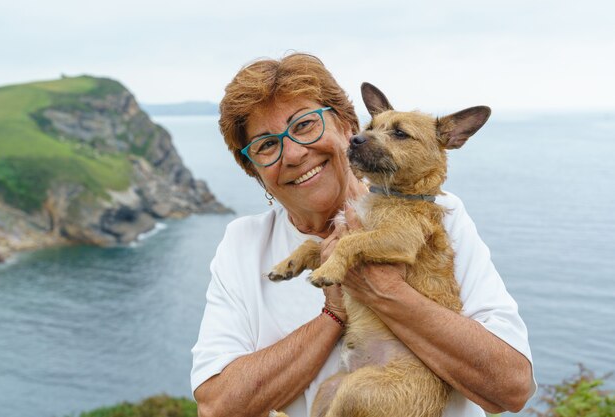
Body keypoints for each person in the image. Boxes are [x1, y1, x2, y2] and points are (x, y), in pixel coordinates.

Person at [191, 53, 535, 417]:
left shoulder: (443, 216)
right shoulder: (241, 243)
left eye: (305, 125)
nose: (292, 154)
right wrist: (333, 313)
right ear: (256, 172)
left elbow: (512, 388)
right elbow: (217, 407)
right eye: (266, 145)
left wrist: (386, 291)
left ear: (347, 127)